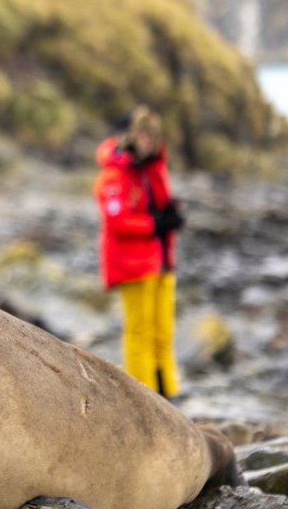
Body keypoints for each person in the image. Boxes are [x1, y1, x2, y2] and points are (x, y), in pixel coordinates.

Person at [93, 105, 185, 398]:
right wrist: (155, 223)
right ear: (129, 136)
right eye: (142, 134)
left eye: (151, 134)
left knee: (163, 332)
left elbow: (158, 200)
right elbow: (117, 222)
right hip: (133, 264)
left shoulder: (150, 168)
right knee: (139, 333)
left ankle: (166, 394)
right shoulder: (113, 176)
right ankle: (144, 400)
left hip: (159, 262)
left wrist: (167, 213)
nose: (148, 139)